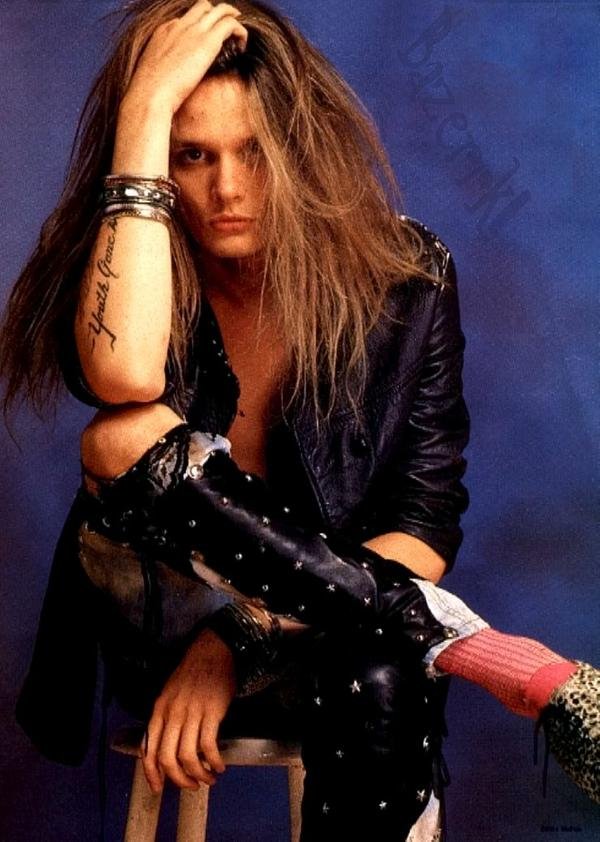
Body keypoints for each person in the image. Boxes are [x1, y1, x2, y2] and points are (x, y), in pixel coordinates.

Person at [0, 1, 597, 840]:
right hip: (157, 629)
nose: (227, 189)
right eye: (191, 155)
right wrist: (143, 108)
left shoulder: (407, 278)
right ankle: (463, 642)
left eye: (253, 152)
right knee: (120, 435)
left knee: (383, 666)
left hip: (323, 628)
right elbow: (125, 376)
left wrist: (238, 640)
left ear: (301, 151)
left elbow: (422, 525)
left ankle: (422, 637)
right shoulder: (128, 258)